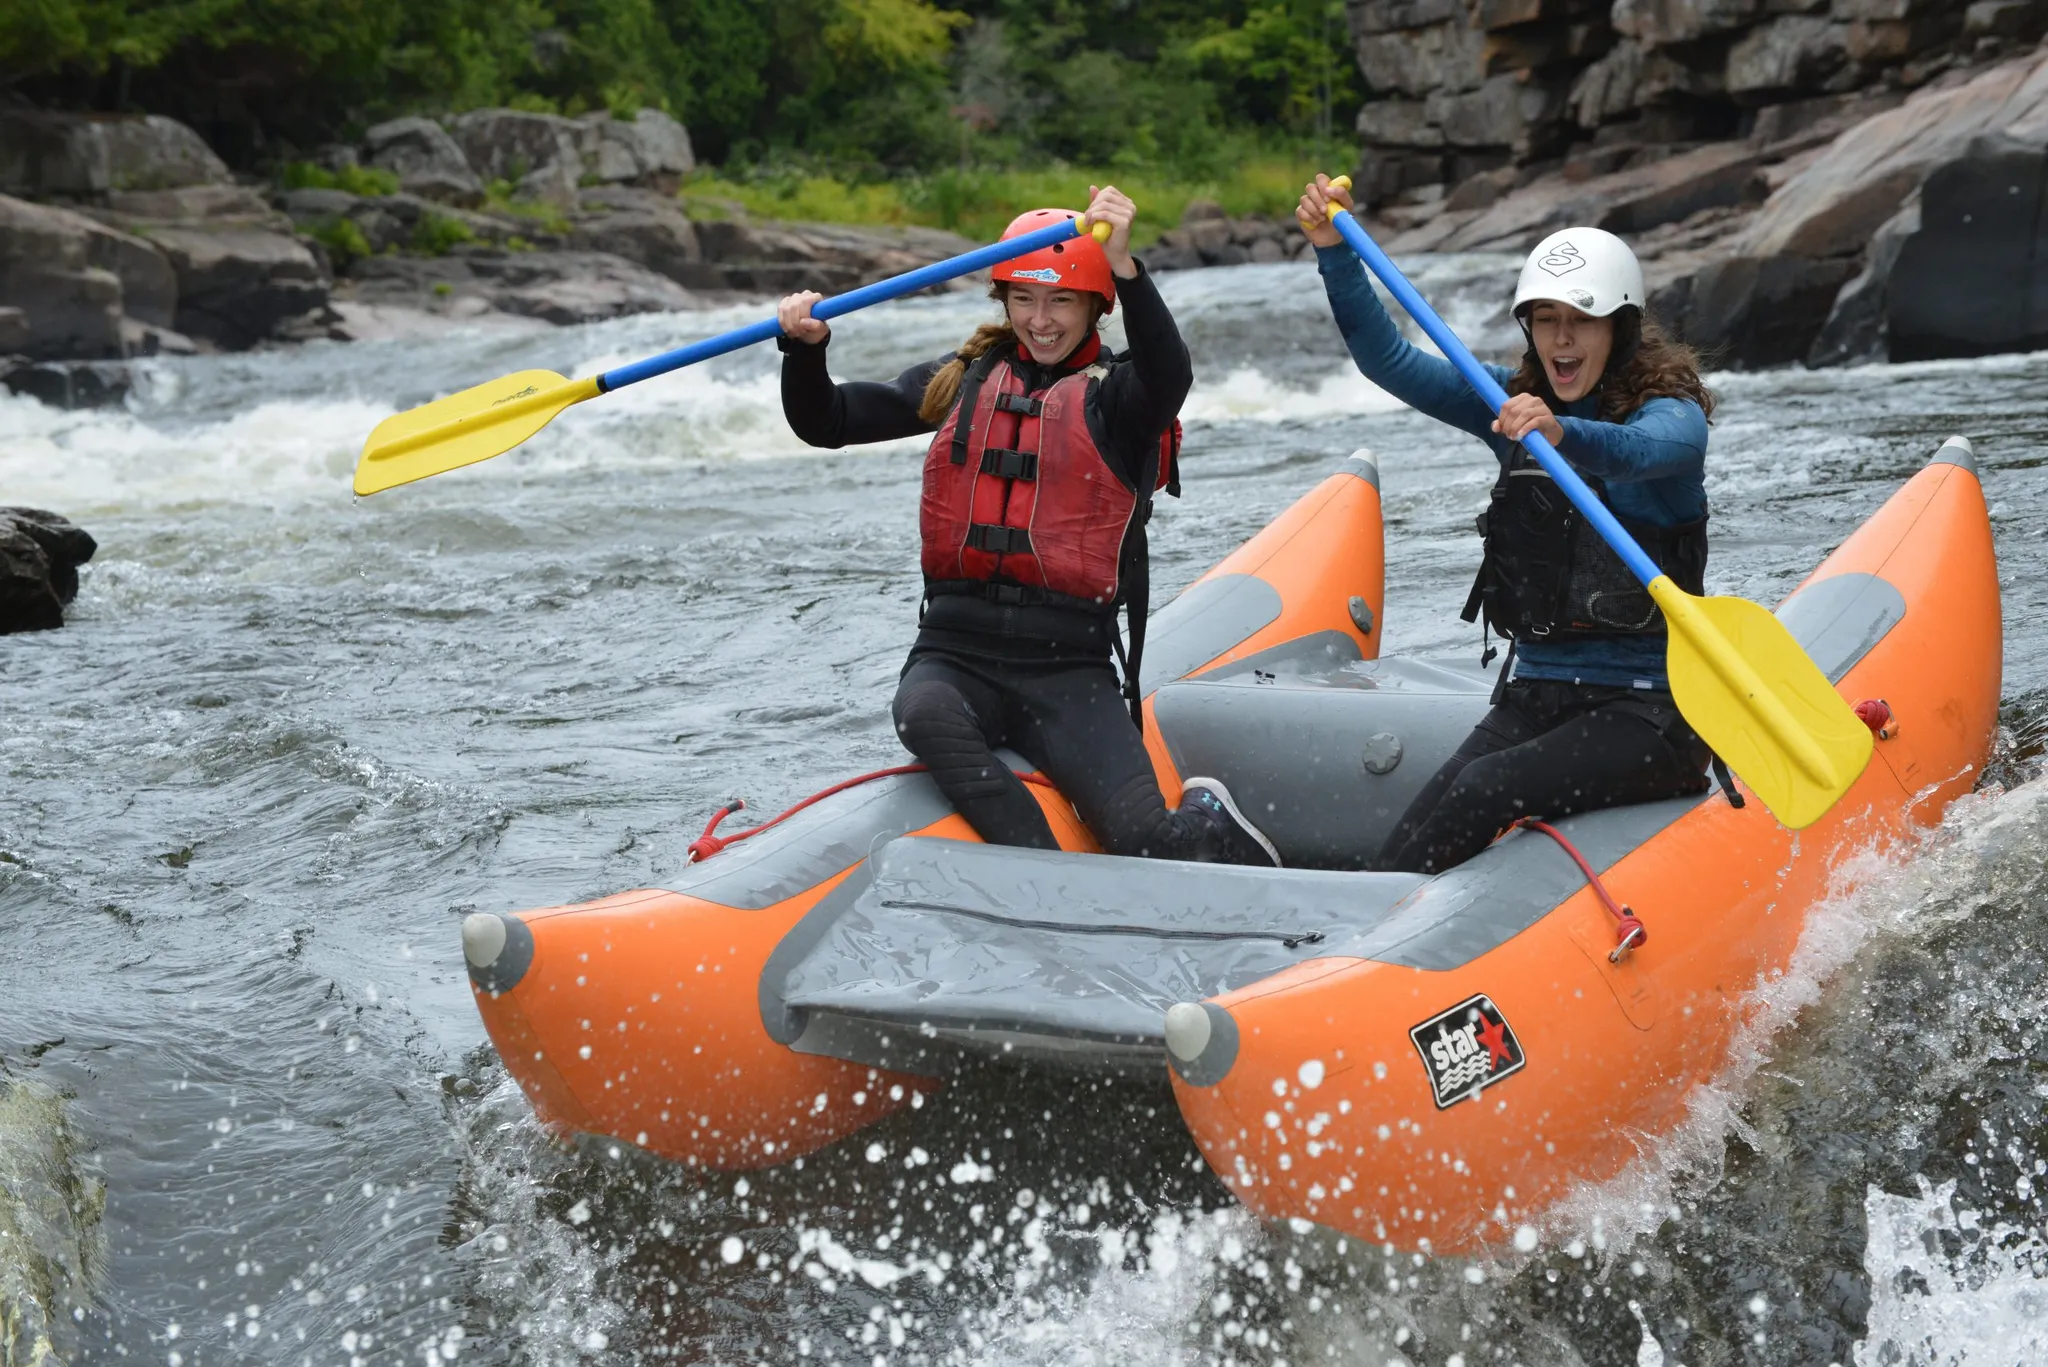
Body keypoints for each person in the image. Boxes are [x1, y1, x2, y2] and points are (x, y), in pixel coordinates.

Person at [775, 186, 1280, 866]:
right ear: (1004, 300)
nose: (1040, 321)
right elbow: (828, 421)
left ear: (1097, 305)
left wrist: (1126, 266)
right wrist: (804, 351)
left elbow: (1170, 373)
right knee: (921, 714)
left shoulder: (1120, 397)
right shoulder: (962, 378)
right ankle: (1048, 873)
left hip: (1067, 668)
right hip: (954, 655)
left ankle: (1209, 816)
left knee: (1145, 840)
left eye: (1061, 301)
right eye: (1024, 299)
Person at [1296, 174, 1717, 874]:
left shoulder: (1671, 414)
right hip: (1535, 696)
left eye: (1581, 320)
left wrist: (1564, 432)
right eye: (1546, 319)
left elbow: (1643, 452)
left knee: (1484, 788)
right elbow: (1387, 359)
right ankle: (1371, 930)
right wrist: (1333, 252)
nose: (1562, 338)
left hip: (1649, 716)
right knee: (1411, 837)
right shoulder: (1511, 408)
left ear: (1621, 328)